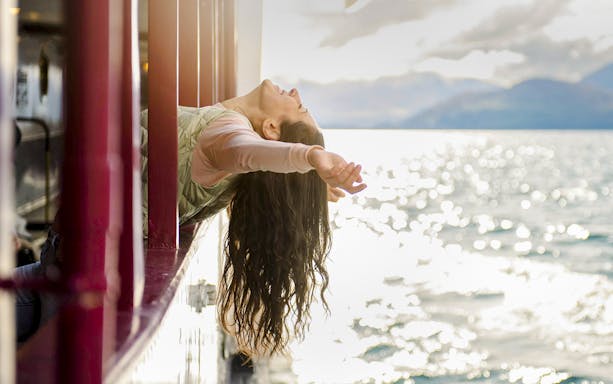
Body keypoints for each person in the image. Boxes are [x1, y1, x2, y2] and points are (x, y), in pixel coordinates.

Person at [15, 79, 367, 356]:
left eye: (299, 105)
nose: (293, 91)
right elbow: (256, 160)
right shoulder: (230, 140)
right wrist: (309, 177)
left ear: (273, 128)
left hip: (80, 265)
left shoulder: (228, 133)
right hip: (73, 260)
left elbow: (245, 152)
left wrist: (309, 157)